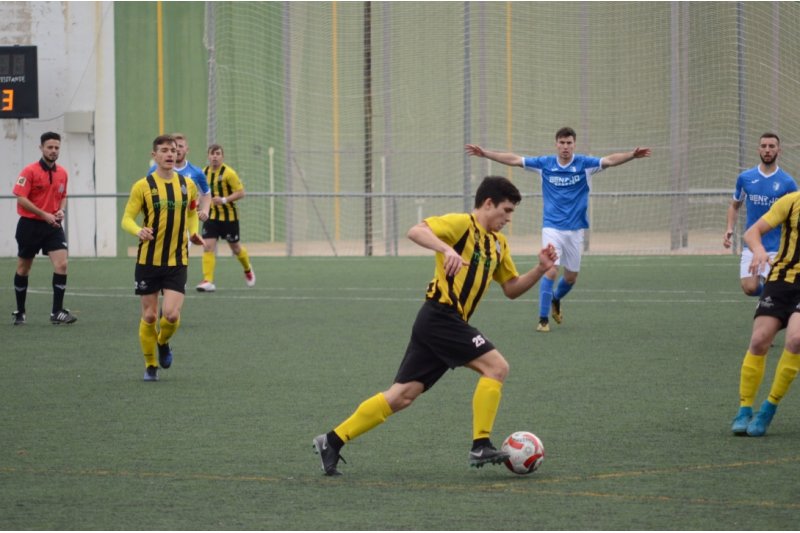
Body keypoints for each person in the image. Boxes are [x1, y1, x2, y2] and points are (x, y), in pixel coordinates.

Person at [313, 176, 558, 476]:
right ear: (488, 203)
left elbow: (511, 288)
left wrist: (541, 269)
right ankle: (481, 443)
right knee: (497, 368)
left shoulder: (498, 244)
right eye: (506, 210)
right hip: (441, 316)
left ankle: (332, 440)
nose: (508, 218)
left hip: (441, 323)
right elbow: (416, 231)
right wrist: (447, 249)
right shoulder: (462, 225)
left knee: (402, 395)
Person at [466, 127, 651, 332]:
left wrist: (632, 155)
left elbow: (609, 160)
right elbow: (515, 159)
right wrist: (486, 153)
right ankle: (543, 319)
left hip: (575, 230)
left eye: (569, 143)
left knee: (571, 278)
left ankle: (555, 298)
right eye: (562, 143)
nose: (565, 147)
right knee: (551, 269)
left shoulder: (584, 164)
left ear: (574, 144)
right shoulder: (545, 164)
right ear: (556, 144)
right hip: (552, 227)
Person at [122, 135, 204, 382]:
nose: (170, 154)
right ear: (154, 155)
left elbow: (192, 212)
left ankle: (163, 341)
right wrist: (139, 231)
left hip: (177, 260)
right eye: (165, 150)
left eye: (174, 150)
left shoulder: (187, 185)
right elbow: (126, 219)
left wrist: (193, 232)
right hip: (148, 261)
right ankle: (150, 365)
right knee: (149, 316)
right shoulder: (142, 186)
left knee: (170, 315)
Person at [731, 190, 800, 436]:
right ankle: (744, 409)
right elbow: (752, 232)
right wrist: (759, 250)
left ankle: (768, 409)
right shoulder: (792, 201)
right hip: (781, 279)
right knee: (759, 341)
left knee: (796, 339)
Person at [11, 131, 77, 325]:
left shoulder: (62, 173)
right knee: (24, 268)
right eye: (50, 147)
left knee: (62, 264)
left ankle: (57, 312)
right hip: (30, 225)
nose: (53, 150)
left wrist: (61, 210)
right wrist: (43, 214)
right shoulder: (29, 171)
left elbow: (63, 195)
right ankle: (20, 311)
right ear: (41, 148)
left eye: (56, 147)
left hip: (52, 226)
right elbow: (21, 197)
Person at [723, 133, 797, 296]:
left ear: (779, 150)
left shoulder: (788, 182)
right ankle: (766, 296)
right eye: (763, 146)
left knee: (777, 289)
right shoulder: (745, 178)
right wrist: (729, 228)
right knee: (750, 288)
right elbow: (734, 205)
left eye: (771, 146)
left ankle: (772, 300)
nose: (767, 150)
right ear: (758, 150)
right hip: (752, 243)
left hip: (778, 247)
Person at [195, 144, 255, 292]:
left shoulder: (229, 173)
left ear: (222, 156)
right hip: (211, 217)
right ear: (208, 156)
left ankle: (247, 269)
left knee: (235, 248)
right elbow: (201, 193)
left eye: (218, 154)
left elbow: (241, 192)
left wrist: (223, 200)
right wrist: (197, 203)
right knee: (207, 246)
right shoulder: (203, 173)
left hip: (229, 218)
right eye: (212, 154)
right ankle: (208, 280)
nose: (215, 156)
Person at [149, 132, 211, 228]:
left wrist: (205, 211)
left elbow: (206, 193)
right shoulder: (155, 170)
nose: (178, 149)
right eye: (175, 147)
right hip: (161, 222)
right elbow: (148, 192)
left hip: (186, 224)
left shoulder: (196, 172)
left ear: (187, 150)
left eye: (181, 146)